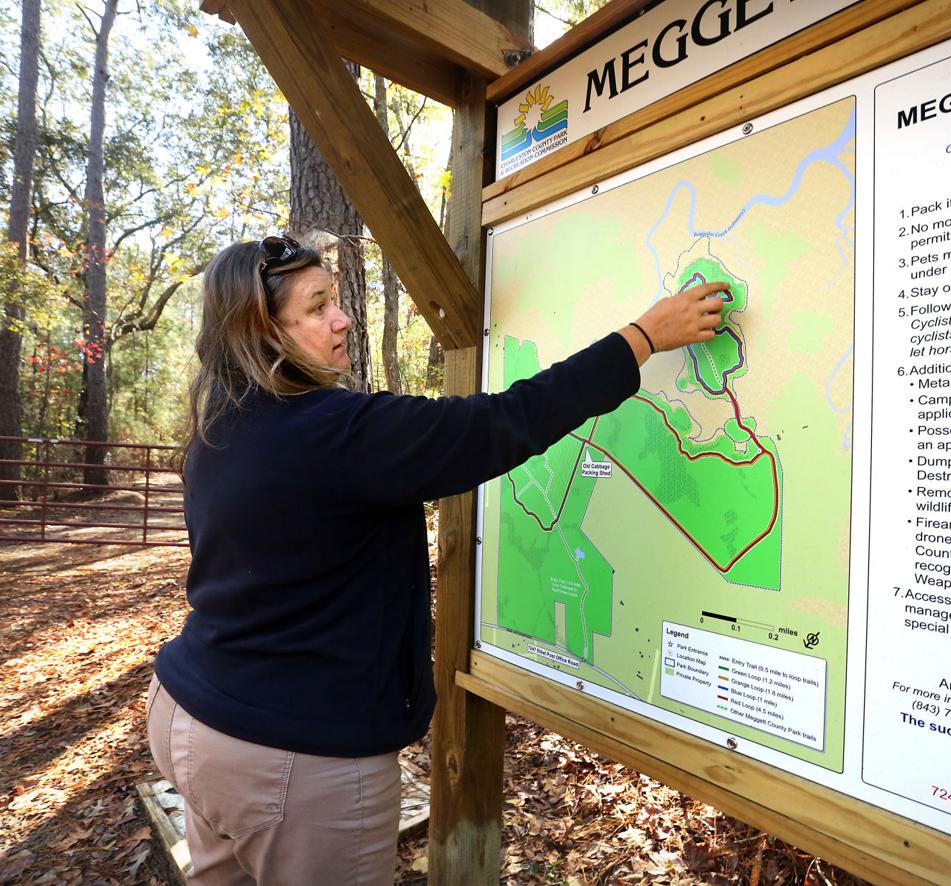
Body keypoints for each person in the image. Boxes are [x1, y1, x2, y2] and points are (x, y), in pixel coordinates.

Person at [146, 234, 729, 884]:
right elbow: (503, 422)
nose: (343, 319)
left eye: (335, 300)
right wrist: (641, 339)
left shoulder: (220, 429)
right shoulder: (337, 432)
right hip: (292, 759)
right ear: (263, 333)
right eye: (317, 307)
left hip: (188, 715)